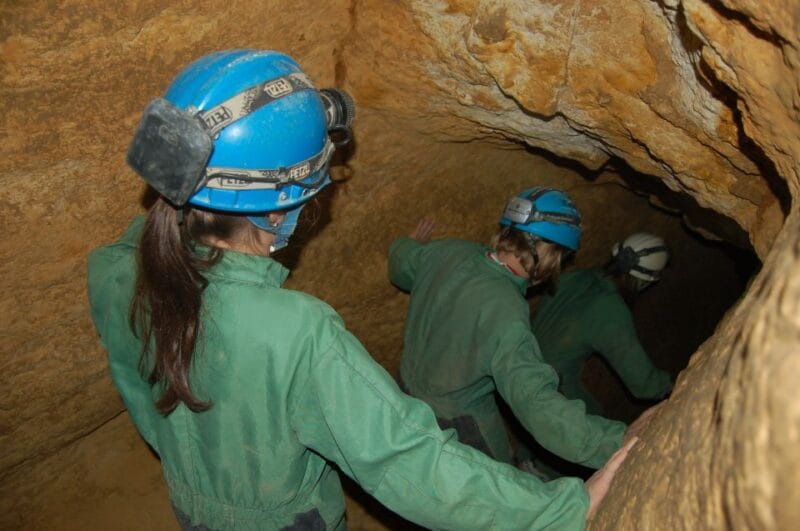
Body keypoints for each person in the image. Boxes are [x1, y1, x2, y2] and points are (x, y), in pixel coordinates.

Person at [87, 50, 635, 530]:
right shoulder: (297, 331)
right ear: (282, 206)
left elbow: (144, 397)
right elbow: (408, 462)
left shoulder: (113, 273)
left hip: (194, 508)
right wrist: (560, 510)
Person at [389, 188, 646, 472]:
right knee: (498, 488)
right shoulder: (508, 312)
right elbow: (537, 407)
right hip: (460, 423)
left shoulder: (448, 251)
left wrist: (406, 243)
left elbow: (401, 262)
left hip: (404, 393)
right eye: (560, 256)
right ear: (546, 251)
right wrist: (618, 442)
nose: (559, 265)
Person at [530, 232, 673, 416]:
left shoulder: (572, 278)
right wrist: (674, 385)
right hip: (548, 390)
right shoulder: (610, 310)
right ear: (645, 280)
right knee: (594, 422)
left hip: (521, 365)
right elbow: (643, 384)